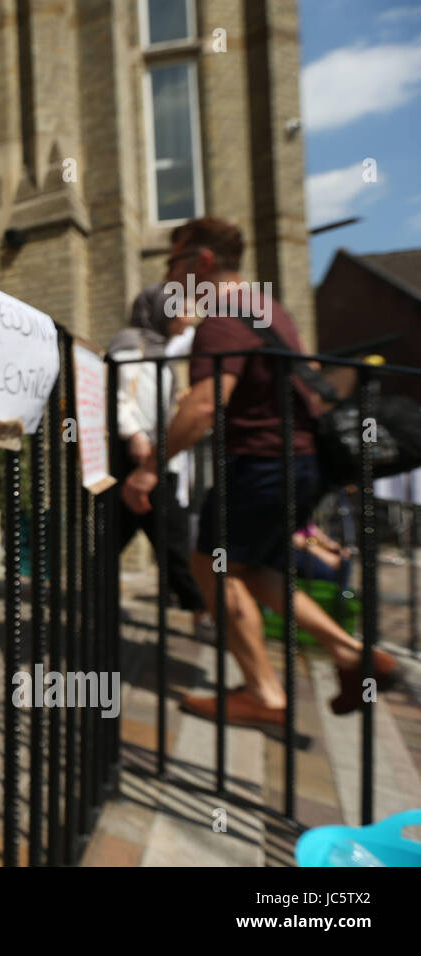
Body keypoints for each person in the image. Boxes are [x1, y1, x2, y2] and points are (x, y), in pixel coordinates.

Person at [121, 216, 399, 724]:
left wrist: (148, 470)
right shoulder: (268, 308)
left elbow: (207, 406)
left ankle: (263, 692)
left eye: (173, 263)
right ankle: (351, 654)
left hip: (262, 462)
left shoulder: (221, 317)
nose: (169, 276)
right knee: (256, 569)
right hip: (301, 461)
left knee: (213, 566)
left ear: (202, 261)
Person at [109, 284, 211, 639]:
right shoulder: (130, 343)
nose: (186, 313)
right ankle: (201, 612)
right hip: (136, 454)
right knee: (173, 538)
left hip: (156, 456)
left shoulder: (159, 350)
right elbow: (121, 394)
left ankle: (97, 600)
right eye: (179, 306)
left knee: (127, 534)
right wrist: (134, 433)